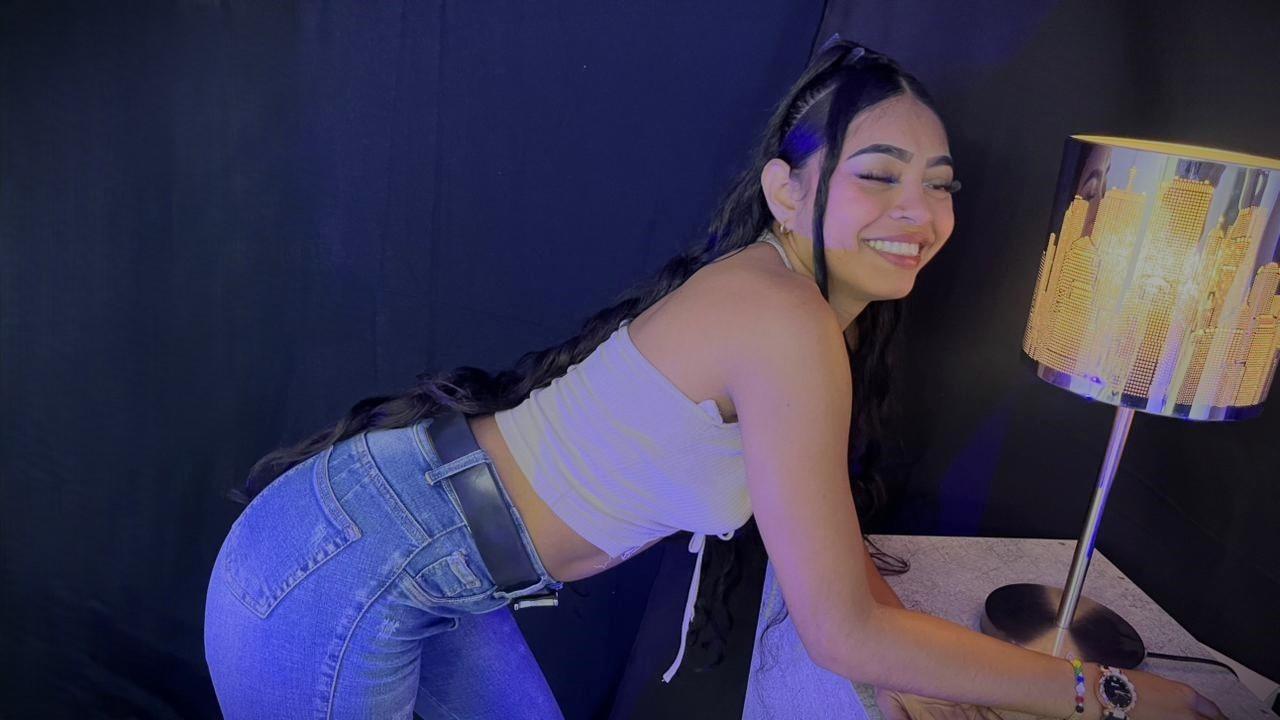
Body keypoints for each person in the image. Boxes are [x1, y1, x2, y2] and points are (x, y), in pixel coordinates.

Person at [203, 37, 1228, 720]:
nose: (918, 212)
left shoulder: (783, 307)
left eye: (939, 184)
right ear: (786, 189)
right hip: (347, 568)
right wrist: (1110, 695)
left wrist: (909, 667)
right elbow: (842, 633)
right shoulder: (781, 321)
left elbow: (829, 561)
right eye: (877, 175)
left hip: (420, 554)